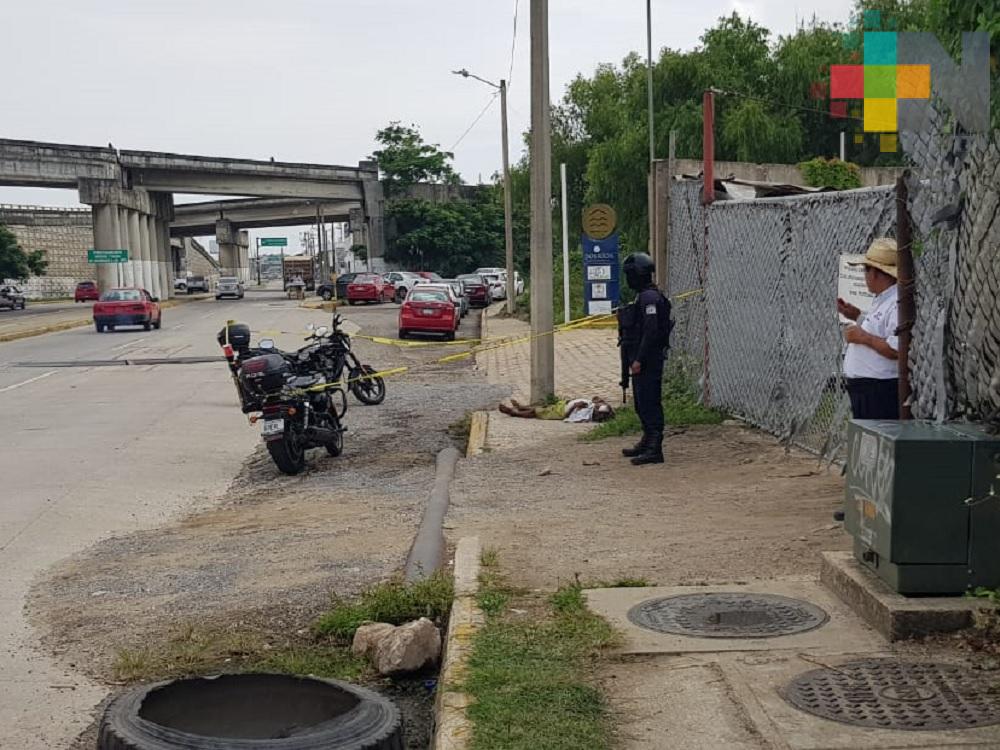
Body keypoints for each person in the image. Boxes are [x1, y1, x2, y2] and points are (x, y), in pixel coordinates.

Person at [618, 253, 672, 465]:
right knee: (641, 402)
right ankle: (647, 440)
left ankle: (654, 448)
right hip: (642, 358)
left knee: (649, 402)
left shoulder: (650, 298)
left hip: (649, 359)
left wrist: (639, 359)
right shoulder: (643, 296)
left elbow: (650, 332)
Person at [837, 238, 900, 420]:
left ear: (877, 273)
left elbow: (896, 348)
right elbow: (880, 329)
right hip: (867, 388)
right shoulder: (883, 298)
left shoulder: (897, 302)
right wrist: (856, 316)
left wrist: (862, 337)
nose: (865, 276)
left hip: (879, 389)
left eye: (866, 270)